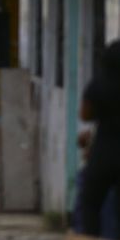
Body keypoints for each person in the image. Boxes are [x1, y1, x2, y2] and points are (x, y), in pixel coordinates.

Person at [77, 41, 120, 237]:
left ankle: (91, 236)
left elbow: (85, 114)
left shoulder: (99, 84)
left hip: (103, 152)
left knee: (90, 203)